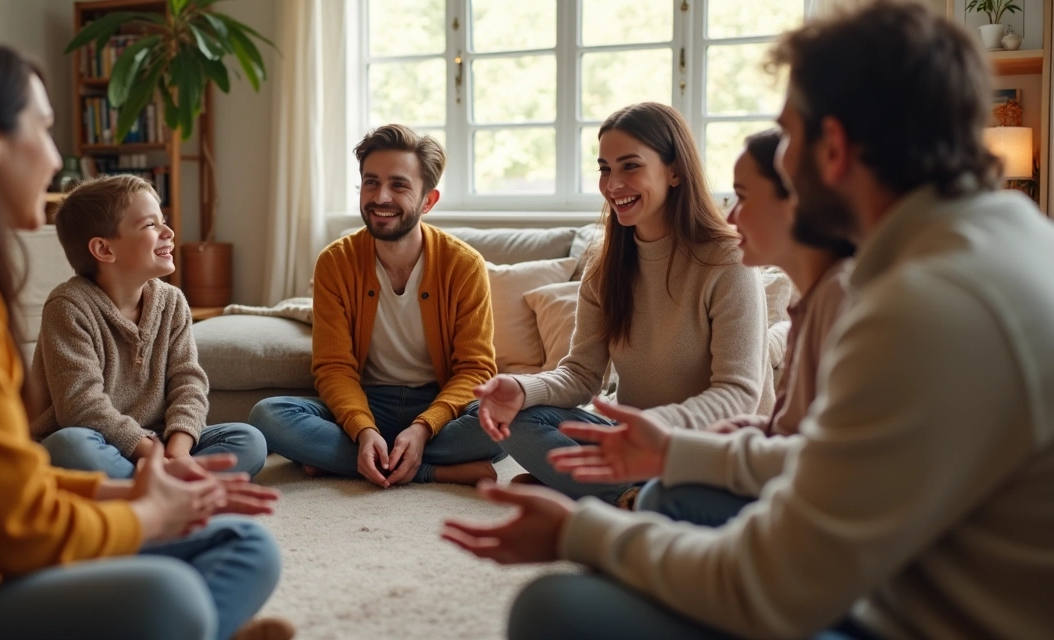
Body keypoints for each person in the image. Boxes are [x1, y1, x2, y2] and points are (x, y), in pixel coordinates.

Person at [442, 2, 1054, 638]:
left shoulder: (920, 305)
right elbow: (824, 463)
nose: (776, 165)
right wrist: (678, 450)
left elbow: (767, 583)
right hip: (892, 570)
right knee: (649, 502)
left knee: (551, 610)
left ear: (834, 147)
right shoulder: (1003, 244)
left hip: (898, 613)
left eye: (787, 135)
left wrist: (582, 532)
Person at [0, 32, 288, 640]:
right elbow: (19, 529)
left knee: (245, 542)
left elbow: (1, 482)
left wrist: (123, 491)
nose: (55, 159)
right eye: (45, 130)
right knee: (171, 598)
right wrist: (147, 512)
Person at [472, 102, 774, 504]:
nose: (613, 184)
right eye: (604, 168)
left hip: (709, 447)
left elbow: (737, 395)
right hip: (630, 443)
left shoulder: (728, 260)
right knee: (520, 421)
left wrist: (650, 429)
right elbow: (581, 375)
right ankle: (628, 496)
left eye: (630, 166)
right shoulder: (605, 268)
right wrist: (522, 389)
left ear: (675, 171)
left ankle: (598, 490)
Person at [250, 124, 505, 488]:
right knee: (269, 417)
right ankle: (432, 471)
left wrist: (422, 428)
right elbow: (333, 367)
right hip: (368, 403)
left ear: (428, 200)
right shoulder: (335, 263)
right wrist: (362, 429)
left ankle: (350, 461)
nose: (380, 196)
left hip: (438, 406)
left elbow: (476, 369)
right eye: (371, 182)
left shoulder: (463, 265)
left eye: (398, 185)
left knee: (502, 423)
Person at [634, 128, 857, 522]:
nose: (731, 216)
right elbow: (805, 430)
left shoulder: (845, 300)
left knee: (661, 498)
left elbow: (832, 464)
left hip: (819, 513)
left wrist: (681, 451)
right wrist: (757, 427)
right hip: (774, 470)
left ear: (797, 203)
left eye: (743, 196)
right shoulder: (810, 303)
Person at [31, 174, 267, 480]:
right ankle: (174, 488)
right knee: (68, 447)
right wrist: (152, 454)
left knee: (249, 440)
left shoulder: (172, 302)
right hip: (96, 440)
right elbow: (81, 407)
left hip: (162, 443)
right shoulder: (68, 307)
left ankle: (151, 488)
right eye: (150, 225)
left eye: (163, 220)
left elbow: (189, 383)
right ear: (104, 249)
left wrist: (178, 452)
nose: (168, 231)